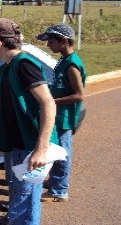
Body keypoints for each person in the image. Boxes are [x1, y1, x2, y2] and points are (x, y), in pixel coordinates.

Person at [0, 18, 58, 225]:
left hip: (29, 145)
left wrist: (40, 149)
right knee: (22, 191)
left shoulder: (24, 65)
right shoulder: (7, 66)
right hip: (17, 142)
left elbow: (48, 103)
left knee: (24, 193)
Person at [36, 24, 86, 202]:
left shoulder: (72, 64)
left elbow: (79, 95)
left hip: (64, 117)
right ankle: (56, 182)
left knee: (61, 153)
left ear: (63, 41)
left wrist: (50, 102)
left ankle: (59, 190)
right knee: (55, 150)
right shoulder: (64, 60)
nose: (48, 45)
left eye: (51, 41)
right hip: (57, 115)